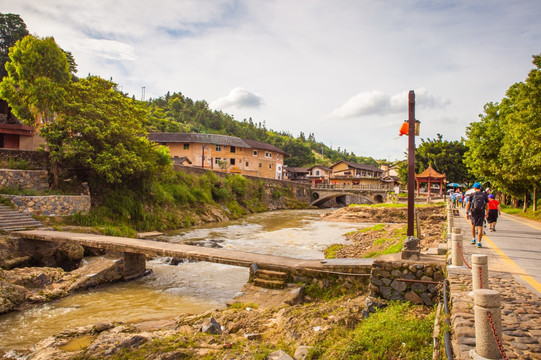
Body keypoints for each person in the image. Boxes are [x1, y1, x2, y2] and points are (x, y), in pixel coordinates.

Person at [466, 182, 489, 248]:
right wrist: (487, 213)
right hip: (481, 211)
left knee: (473, 225)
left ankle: (473, 239)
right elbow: (487, 205)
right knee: (480, 227)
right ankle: (479, 242)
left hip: (473, 211)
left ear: (475, 188)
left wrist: (467, 212)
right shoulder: (484, 195)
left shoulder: (472, 194)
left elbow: (468, 204)